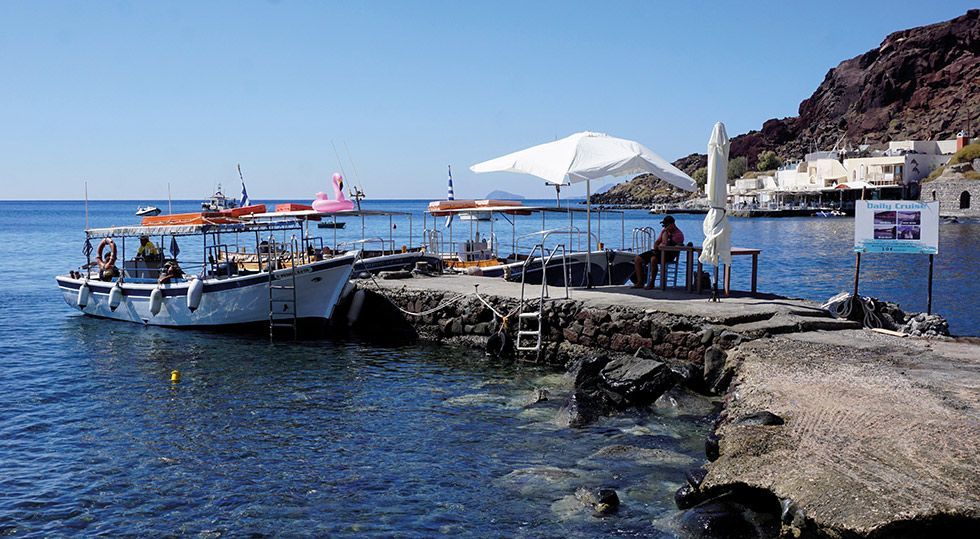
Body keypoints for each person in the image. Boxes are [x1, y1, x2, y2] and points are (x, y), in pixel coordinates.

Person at [633, 215, 684, 290]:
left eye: (666, 225)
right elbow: (657, 243)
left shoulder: (678, 235)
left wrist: (664, 241)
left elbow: (667, 246)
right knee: (638, 259)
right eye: (664, 225)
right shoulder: (664, 231)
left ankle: (652, 283)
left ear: (672, 224)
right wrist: (659, 244)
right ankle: (640, 282)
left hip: (669, 254)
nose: (664, 227)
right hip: (658, 252)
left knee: (653, 259)